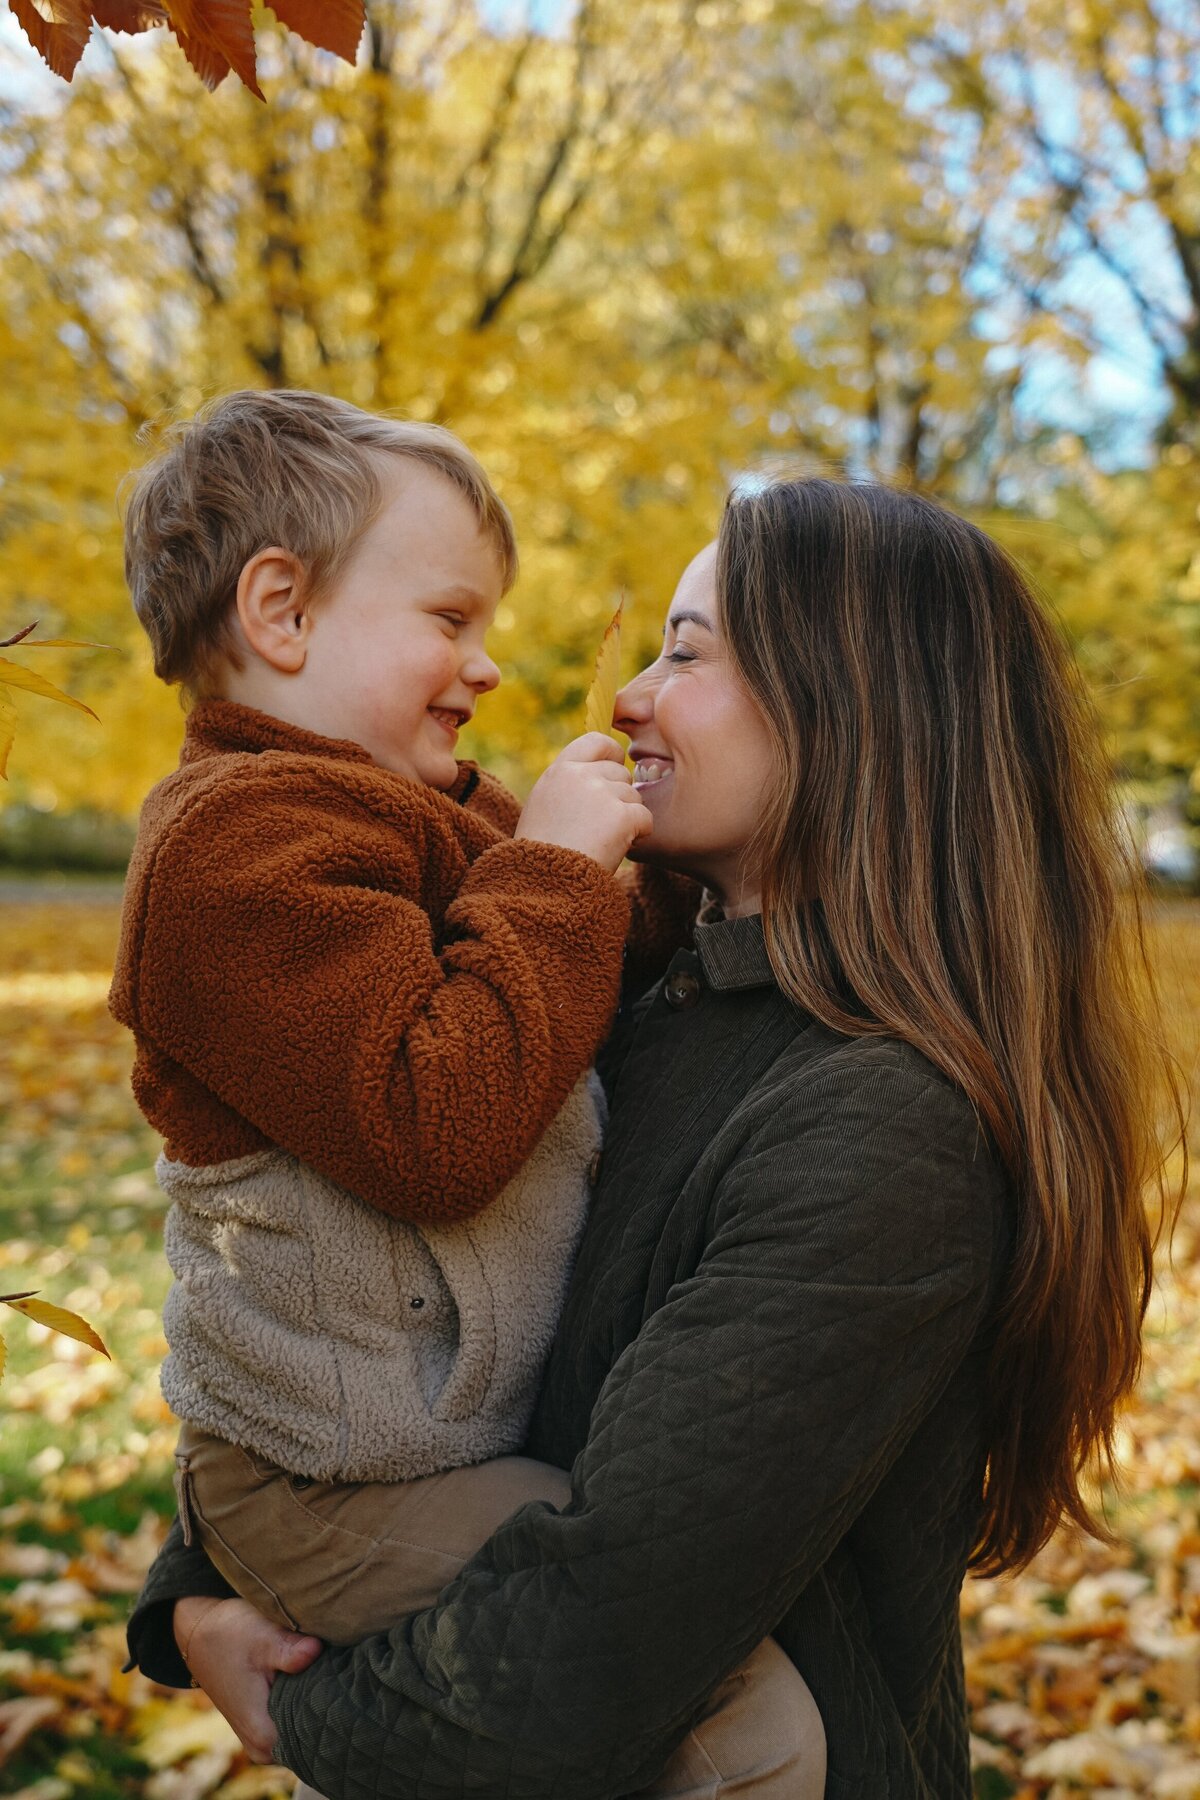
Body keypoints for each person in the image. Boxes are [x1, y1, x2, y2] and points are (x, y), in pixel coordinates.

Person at [127, 477, 1177, 1800]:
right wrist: (194, 1598)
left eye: (684, 653)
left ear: (850, 704)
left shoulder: (880, 1129)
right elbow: (337, 1274)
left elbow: (587, 1650)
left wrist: (289, 1706)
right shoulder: (641, 989)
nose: (625, 698)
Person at [111, 390, 824, 1798]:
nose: (487, 666)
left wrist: (643, 872)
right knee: (749, 1735)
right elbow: (432, 1127)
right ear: (282, 613)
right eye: (450, 618)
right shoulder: (225, 861)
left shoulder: (426, 817)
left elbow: (589, 981)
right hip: (338, 1487)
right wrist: (558, 871)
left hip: (432, 1451)